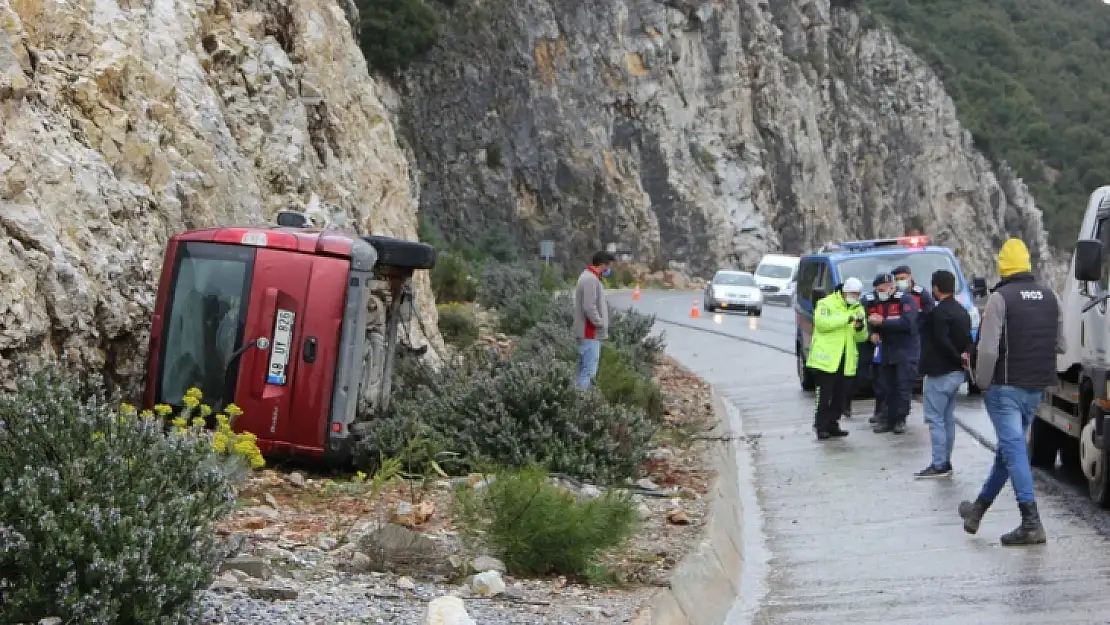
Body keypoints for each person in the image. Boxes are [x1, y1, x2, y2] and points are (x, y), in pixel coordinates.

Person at [958, 238, 1063, 546]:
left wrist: (982, 382)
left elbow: (988, 349)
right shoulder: (1050, 296)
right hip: (1035, 387)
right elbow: (1062, 344)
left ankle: (1031, 522)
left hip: (1004, 387)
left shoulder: (1000, 298)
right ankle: (977, 511)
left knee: (1014, 451)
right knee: (1008, 452)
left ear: (1002, 266)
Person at [915, 269, 971, 479]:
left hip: (939, 373)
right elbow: (968, 341)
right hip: (957, 374)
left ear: (936, 288)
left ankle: (939, 463)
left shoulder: (937, 314)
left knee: (935, 418)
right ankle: (945, 459)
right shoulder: (962, 311)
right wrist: (963, 360)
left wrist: (955, 357)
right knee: (948, 418)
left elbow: (941, 341)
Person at [807, 277, 869, 440]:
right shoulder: (826, 304)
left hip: (846, 359)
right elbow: (822, 324)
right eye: (852, 294)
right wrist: (846, 319)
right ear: (844, 292)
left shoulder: (858, 309)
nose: (855, 297)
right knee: (824, 396)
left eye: (857, 295)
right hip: (826, 360)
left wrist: (860, 328)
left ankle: (833, 423)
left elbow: (862, 337)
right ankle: (821, 426)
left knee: (841, 396)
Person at [867, 273, 919, 434]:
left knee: (903, 386)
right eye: (878, 290)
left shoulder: (905, 300)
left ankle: (900, 419)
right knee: (887, 387)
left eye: (883, 289)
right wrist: (872, 333)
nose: (881, 293)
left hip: (905, 350)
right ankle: (888, 419)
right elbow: (871, 321)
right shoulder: (879, 302)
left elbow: (907, 323)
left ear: (891, 287)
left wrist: (883, 323)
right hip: (887, 350)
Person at [573, 251, 615, 389]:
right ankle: (582, 403)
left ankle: (574, 401)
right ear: (603, 265)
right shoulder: (590, 279)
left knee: (581, 370)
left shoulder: (588, 277)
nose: (609, 270)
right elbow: (589, 307)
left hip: (587, 333)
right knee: (589, 372)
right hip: (590, 333)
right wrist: (601, 323)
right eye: (609, 266)